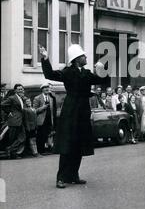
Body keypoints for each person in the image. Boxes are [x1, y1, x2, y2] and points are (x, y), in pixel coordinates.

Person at [39, 44, 104, 189]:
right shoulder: (68, 72)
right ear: (77, 59)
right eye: (83, 56)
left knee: (80, 144)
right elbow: (49, 74)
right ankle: (61, 178)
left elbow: (100, 80)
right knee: (67, 145)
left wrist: (100, 69)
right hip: (71, 111)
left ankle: (73, 175)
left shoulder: (87, 73)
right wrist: (45, 58)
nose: (86, 57)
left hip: (83, 111)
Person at [1, 84, 26, 159]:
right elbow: (2, 104)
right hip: (14, 121)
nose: (20, 90)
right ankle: (12, 154)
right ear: (15, 90)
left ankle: (10, 150)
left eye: (21, 89)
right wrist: (8, 112)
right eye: (19, 89)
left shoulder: (21, 98)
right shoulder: (12, 98)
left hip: (20, 121)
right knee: (13, 138)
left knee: (22, 137)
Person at [33, 83, 56, 154]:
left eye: (47, 88)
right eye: (45, 88)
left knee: (48, 135)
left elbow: (53, 110)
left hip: (49, 119)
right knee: (40, 136)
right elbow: (35, 110)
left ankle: (47, 150)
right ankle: (41, 151)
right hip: (41, 120)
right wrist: (43, 107)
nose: (47, 89)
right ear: (42, 89)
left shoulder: (51, 98)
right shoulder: (37, 98)